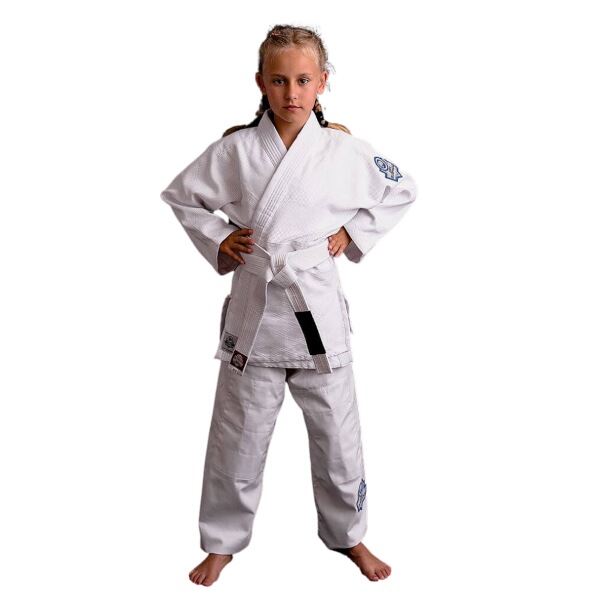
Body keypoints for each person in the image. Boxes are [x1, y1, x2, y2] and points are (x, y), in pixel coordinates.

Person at [160, 24, 417, 586]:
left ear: (323, 82)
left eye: (303, 80)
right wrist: (220, 238)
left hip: (316, 311)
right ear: (261, 83)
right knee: (238, 435)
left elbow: (401, 188)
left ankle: (349, 535)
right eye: (279, 81)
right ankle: (222, 542)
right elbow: (182, 196)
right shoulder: (235, 150)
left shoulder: (345, 151)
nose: (292, 92)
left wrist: (351, 234)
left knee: (338, 436)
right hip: (256, 313)